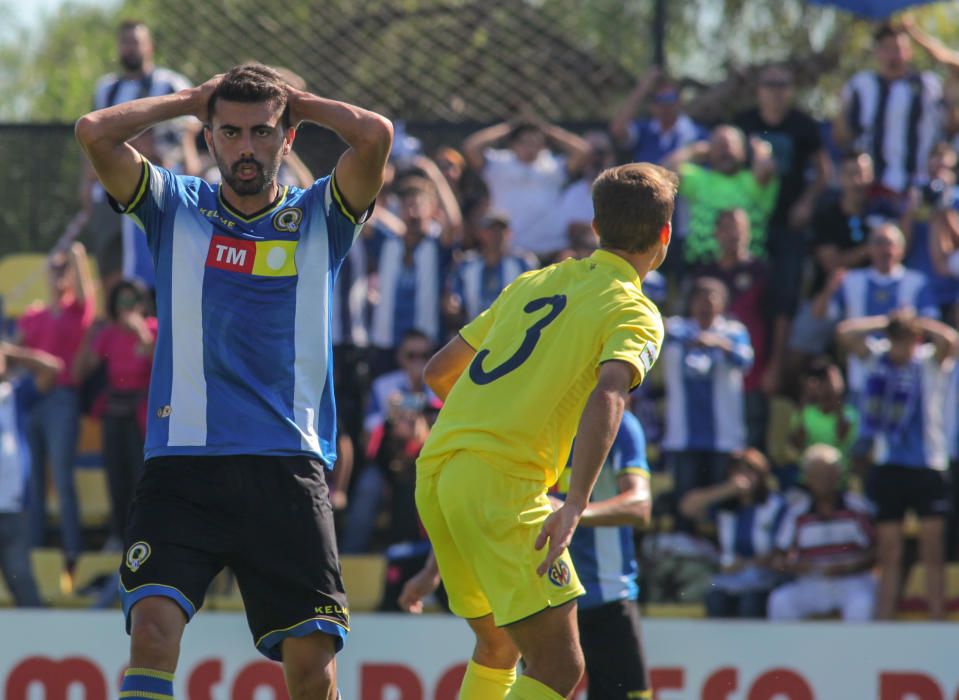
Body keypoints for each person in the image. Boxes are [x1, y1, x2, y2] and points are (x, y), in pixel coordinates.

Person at [75, 62, 392, 698]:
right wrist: (189, 100)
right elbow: (95, 133)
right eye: (230, 132)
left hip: (286, 465)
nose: (246, 147)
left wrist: (299, 100)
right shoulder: (175, 205)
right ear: (210, 136)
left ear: (287, 138)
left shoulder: (321, 215)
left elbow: (375, 136)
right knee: (153, 631)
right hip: (183, 465)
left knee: (310, 667)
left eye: (262, 132)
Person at [412, 163, 673, 699]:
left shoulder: (534, 281)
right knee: (560, 666)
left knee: (498, 648)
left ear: (596, 225)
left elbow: (438, 371)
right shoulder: (635, 309)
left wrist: (492, 418)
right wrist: (575, 503)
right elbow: (611, 393)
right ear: (665, 236)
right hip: (504, 484)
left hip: (438, 472)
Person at [402, 410, 655, 700]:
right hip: (539, 595)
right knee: (548, 672)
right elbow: (481, 498)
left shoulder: (619, 423)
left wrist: (570, 511)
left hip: (607, 597)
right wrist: (433, 570)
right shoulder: (533, 417)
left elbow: (640, 506)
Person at [836, 311, 957, 620]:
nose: (900, 348)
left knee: (932, 548)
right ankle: (884, 617)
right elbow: (846, 332)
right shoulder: (878, 360)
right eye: (896, 340)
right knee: (890, 550)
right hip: (889, 465)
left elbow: (951, 341)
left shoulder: (928, 362)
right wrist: (888, 322)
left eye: (906, 341)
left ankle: (936, 618)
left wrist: (917, 323)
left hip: (927, 465)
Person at [84, 20, 195, 291]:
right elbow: (91, 138)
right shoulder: (106, 88)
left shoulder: (171, 83)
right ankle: (117, 328)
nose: (130, 48)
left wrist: (160, 152)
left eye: (136, 41)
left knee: (159, 264)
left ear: (150, 46)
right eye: (125, 42)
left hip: (161, 185)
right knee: (112, 264)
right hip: (111, 191)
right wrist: (85, 183)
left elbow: (191, 132)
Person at [17, 242, 96, 580]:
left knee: (62, 479)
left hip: (63, 399)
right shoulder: (32, 315)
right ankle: (31, 552)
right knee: (31, 481)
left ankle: (72, 553)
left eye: (63, 271)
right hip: (33, 401)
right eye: (55, 269)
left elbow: (86, 291)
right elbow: (15, 355)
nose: (59, 275)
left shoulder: (75, 309)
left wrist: (76, 255)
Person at [734, 63, 832, 321]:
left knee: (786, 294)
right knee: (749, 291)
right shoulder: (744, 123)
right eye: (770, 85)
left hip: (789, 221)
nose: (776, 92)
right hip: (749, 223)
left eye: (783, 85)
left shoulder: (803, 125)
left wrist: (806, 203)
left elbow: (823, 171)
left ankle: (779, 360)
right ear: (758, 90)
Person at [661, 277, 754, 531]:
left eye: (713, 298)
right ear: (690, 303)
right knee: (685, 504)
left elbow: (746, 361)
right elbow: (660, 331)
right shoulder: (675, 330)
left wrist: (719, 344)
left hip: (724, 436)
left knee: (724, 508)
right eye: (700, 298)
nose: (706, 304)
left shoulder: (734, 333)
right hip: (683, 437)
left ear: (723, 304)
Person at [73, 280, 157, 547]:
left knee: (138, 475)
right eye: (120, 302)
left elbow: (162, 369)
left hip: (141, 412)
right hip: (114, 411)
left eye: (131, 302)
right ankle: (118, 535)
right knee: (115, 477)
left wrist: (142, 334)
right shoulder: (110, 334)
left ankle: (142, 534)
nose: (126, 308)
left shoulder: (154, 328)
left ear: (142, 305)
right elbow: (81, 371)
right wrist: (91, 335)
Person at [768, 444, 877, 622]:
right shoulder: (797, 512)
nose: (823, 479)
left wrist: (848, 567)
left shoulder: (857, 507)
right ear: (807, 478)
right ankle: (788, 650)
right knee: (781, 601)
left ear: (838, 475)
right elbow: (779, 557)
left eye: (828, 473)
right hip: (812, 582)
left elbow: (876, 551)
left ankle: (857, 650)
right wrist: (794, 565)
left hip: (852, 581)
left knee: (861, 605)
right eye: (817, 474)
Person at [834, 23, 942, 195]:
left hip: (917, 186)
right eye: (886, 48)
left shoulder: (926, 85)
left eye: (898, 48)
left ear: (909, 51)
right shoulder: (861, 85)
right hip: (870, 188)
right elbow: (842, 137)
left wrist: (917, 34)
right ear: (877, 52)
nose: (893, 55)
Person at [679, 449, 788, 618]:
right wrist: (727, 489)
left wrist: (745, 564)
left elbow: (781, 550)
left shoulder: (776, 505)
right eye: (737, 471)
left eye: (749, 470)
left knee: (750, 603)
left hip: (765, 577)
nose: (743, 476)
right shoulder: (726, 507)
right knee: (716, 599)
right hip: (730, 577)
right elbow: (687, 508)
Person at [463, 118, 590, 261]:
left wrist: (548, 130)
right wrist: (508, 128)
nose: (530, 147)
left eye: (536, 142)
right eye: (525, 142)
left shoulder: (554, 166)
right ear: (513, 144)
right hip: (512, 251)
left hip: (551, 249)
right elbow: (470, 146)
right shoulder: (498, 164)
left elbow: (583, 150)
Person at [0, 342, 61, 608]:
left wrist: (11, 352)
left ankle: (38, 637)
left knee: (21, 578)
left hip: (12, 507)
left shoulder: (15, 393)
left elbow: (52, 368)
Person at [664, 125, 778, 266]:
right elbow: (663, 174)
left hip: (747, 269)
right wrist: (693, 151)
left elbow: (766, 169)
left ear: (743, 151)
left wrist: (761, 151)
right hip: (703, 266)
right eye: (719, 146)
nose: (725, 152)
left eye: (730, 146)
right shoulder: (700, 179)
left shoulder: (753, 181)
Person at [444, 210, 535, 328]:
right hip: (475, 333)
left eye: (501, 230)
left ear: (509, 233)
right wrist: (452, 305)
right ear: (481, 234)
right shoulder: (467, 265)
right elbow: (456, 299)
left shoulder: (523, 263)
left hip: (513, 332)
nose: (496, 235)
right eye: (491, 230)